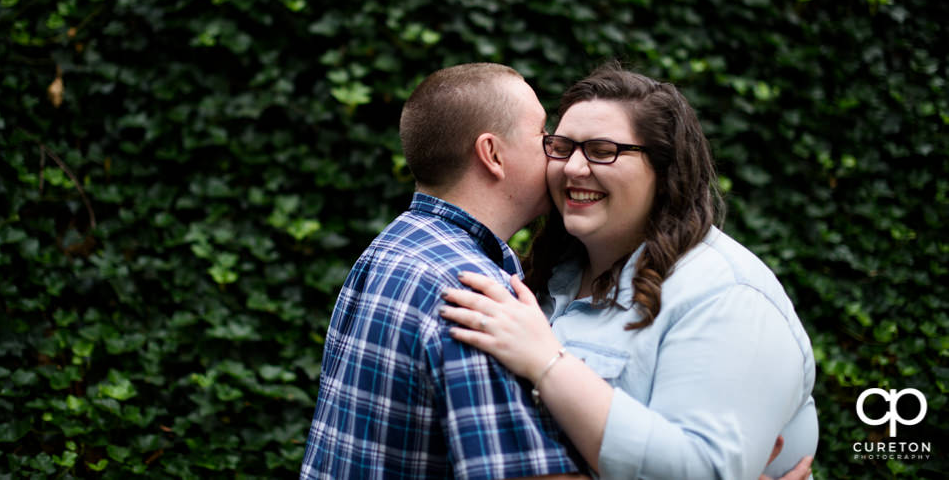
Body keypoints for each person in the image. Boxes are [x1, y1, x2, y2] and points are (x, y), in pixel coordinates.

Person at [440, 61, 819, 479]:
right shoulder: (539, 279)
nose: (574, 168)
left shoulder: (728, 295)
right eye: (562, 147)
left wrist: (548, 361)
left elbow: (705, 471)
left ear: (665, 169)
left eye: (603, 151)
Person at [301, 63, 586, 479]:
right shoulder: (472, 294)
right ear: (492, 154)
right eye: (543, 134)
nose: (554, 148)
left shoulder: (392, 247)